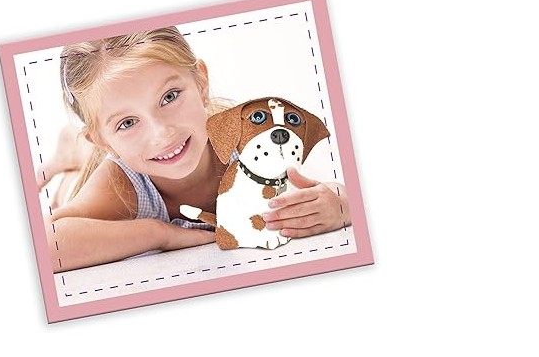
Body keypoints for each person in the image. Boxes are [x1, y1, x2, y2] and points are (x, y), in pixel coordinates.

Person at [41, 27, 348, 273]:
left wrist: (340, 205)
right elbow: (44, 244)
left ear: (201, 82)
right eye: (127, 122)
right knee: (71, 182)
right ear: (104, 141)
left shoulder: (246, 140)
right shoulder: (121, 184)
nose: (162, 133)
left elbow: (334, 190)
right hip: (105, 164)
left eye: (170, 96)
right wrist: (158, 234)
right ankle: (70, 151)